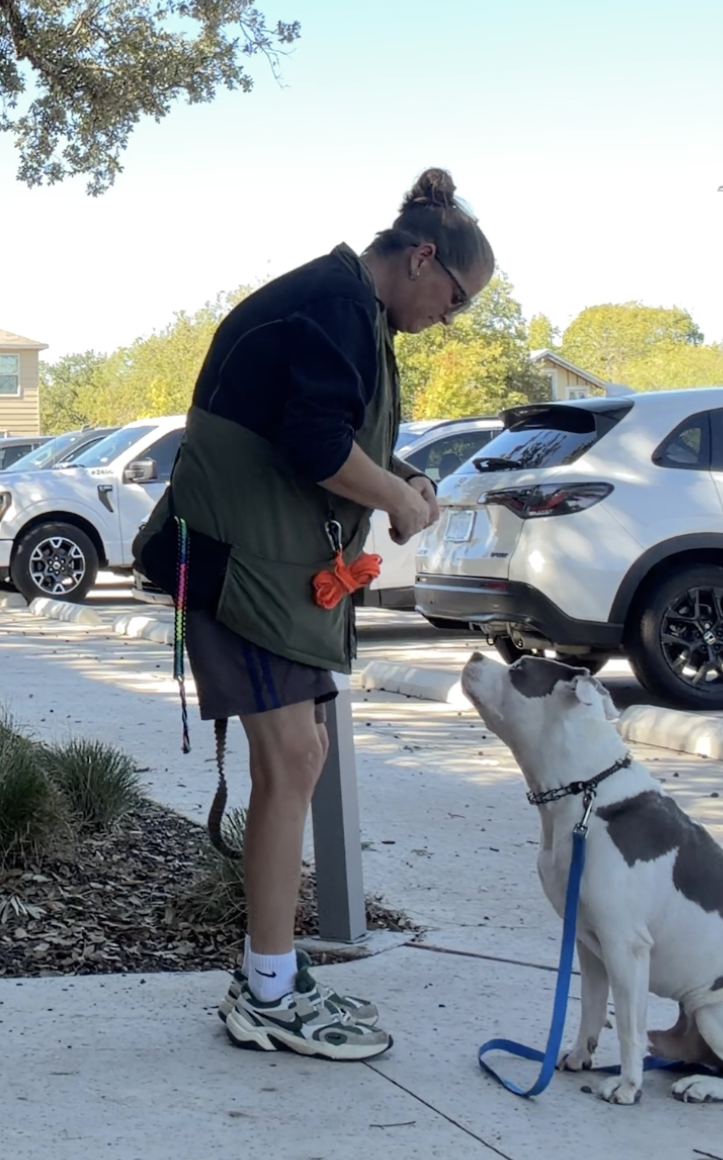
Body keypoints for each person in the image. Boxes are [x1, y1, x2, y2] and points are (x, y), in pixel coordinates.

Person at [134, 167, 495, 1061]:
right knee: (292, 756)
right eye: (453, 300)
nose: (446, 318)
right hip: (238, 570)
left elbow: (332, 428)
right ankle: (264, 989)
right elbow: (314, 444)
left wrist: (402, 476)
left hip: (267, 572)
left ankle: (272, 968)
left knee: (302, 755)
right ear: (421, 257)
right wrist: (401, 505)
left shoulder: (346, 308)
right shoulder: (332, 304)